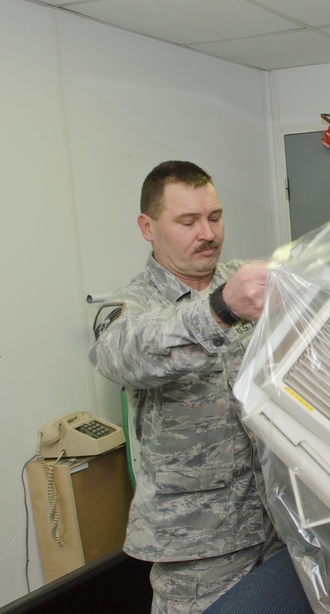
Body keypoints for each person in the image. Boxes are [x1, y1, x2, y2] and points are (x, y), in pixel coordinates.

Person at [89, 161, 282, 613]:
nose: (208, 233)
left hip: (277, 528)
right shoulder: (131, 306)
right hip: (198, 550)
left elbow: (319, 285)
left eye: (214, 217)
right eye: (188, 221)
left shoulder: (242, 280)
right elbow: (122, 354)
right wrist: (220, 309)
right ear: (148, 227)